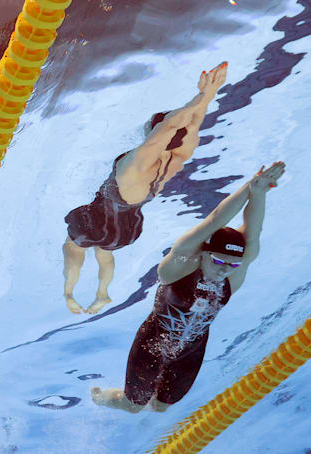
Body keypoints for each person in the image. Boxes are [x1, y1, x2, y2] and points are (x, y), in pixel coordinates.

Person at [91, 161, 284, 413]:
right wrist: (249, 186)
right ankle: (101, 397)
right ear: (203, 253)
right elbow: (214, 220)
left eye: (233, 265)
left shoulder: (232, 276)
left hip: (190, 351)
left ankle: (152, 399)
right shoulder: (178, 267)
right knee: (133, 406)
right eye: (218, 261)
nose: (225, 269)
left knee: (160, 407)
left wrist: (259, 193)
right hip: (152, 345)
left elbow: (253, 233)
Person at [62, 62, 228, 314]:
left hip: (106, 215)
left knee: (73, 247)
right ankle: (103, 293)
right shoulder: (180, 154)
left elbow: (169, 126)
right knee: (105, 252)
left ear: (154, 133)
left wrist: (202, 94)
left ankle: (69, 293)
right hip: (129, 224)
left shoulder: (138, 162)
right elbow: (189, 125)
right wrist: (208, 95)